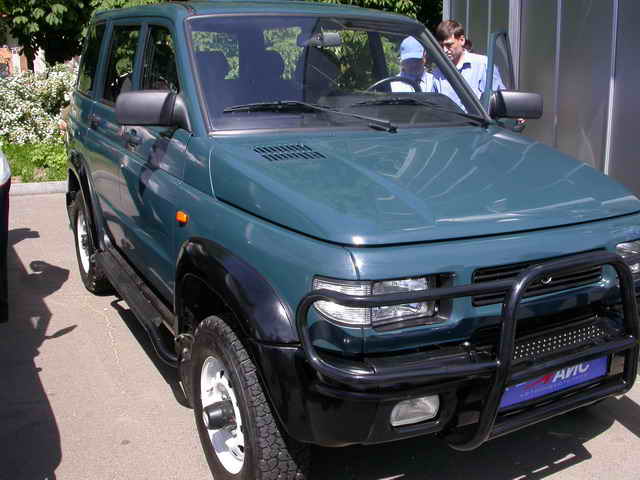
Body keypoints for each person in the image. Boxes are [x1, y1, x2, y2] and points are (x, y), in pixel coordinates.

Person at [430, 20, 504, 108]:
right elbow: (433, 106)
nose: (444, 50)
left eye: (449, 45)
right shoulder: (438, 72)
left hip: (476, 117)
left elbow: (499, 100)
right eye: (441, 46)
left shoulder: (482, 65)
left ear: (462, 40)